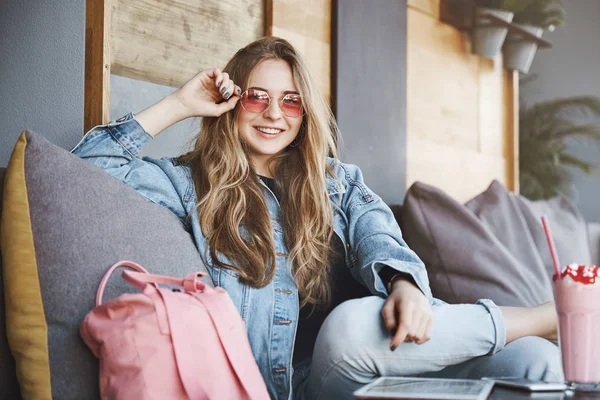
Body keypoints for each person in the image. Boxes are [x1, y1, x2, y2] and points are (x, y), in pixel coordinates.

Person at [72, 36, 561, 399]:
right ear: (231, 100)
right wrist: (182, 103)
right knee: (348, 328)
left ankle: (542, 330)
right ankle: (546, 316)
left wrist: (405, 285)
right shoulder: (190, 185)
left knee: (536, 362)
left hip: (391, 368)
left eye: (291, 101)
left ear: (305, 113)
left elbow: (381, 239)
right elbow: (87, 170)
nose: (273, 113)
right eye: (255, 96)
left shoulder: (338, 182)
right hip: (306, 385)